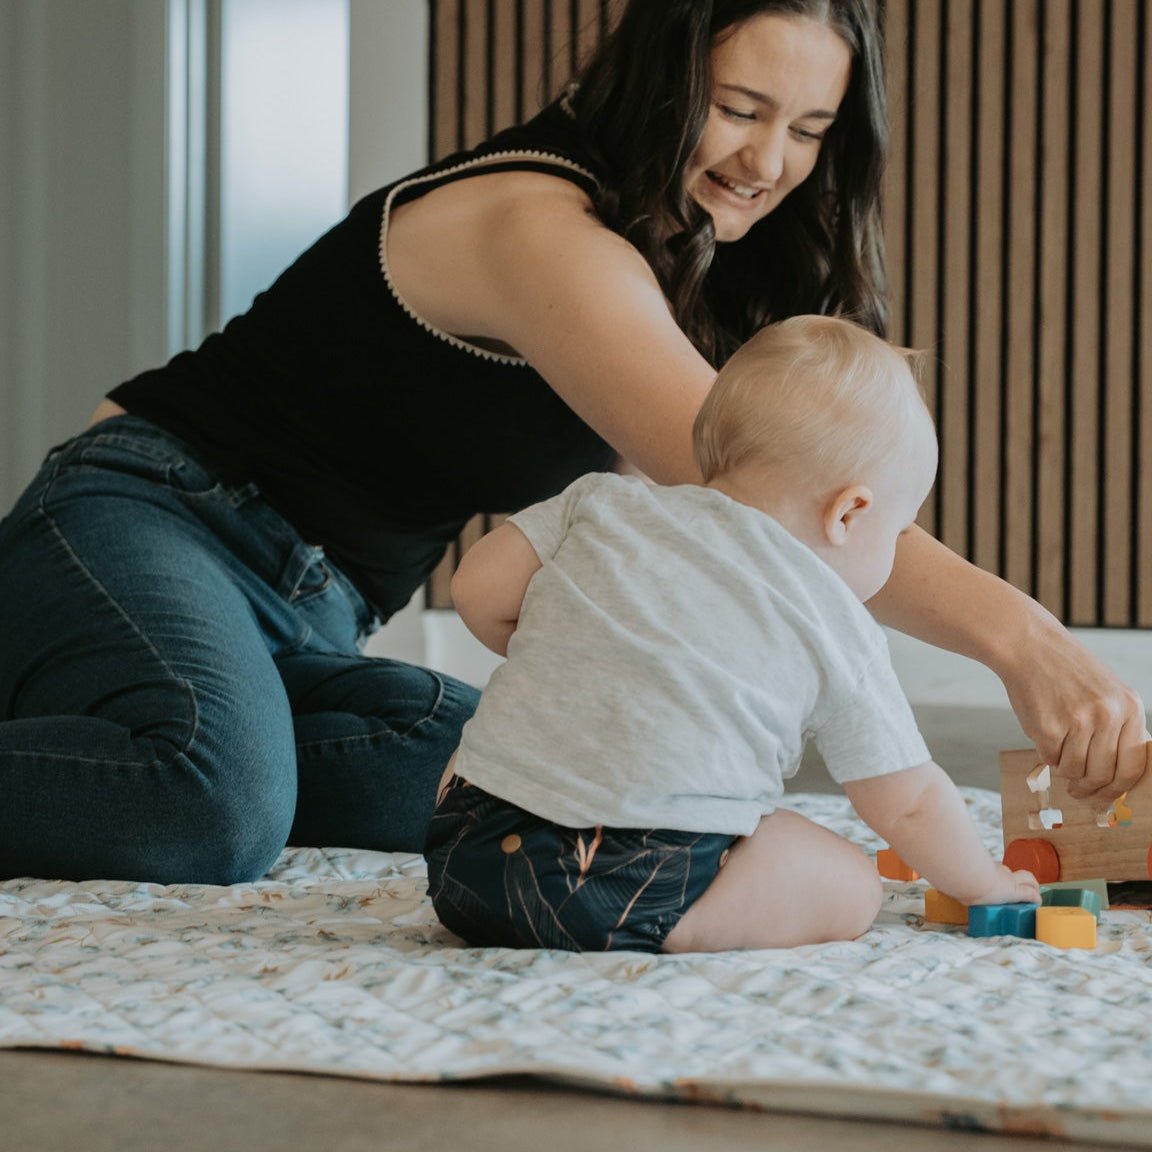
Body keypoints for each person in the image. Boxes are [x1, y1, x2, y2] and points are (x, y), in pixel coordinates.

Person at [0, 0, 1143, 886]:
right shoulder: (543, 231)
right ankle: (185, 745)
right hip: (149, 521)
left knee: (564, 779)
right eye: (740, 109)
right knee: (211, 806)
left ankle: (176, 731)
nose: (768, 162)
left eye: (808, 128)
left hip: (309, 618)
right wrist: (1028, 641)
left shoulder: (681, 257)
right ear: (661, 77)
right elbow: (766, 495)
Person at [423, 315, 1042, 953]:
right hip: (623, 884)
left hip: (467, 861)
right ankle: (675, 929)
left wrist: (574, 655)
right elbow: (908, 801)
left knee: (491, 744)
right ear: (849, 512)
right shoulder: (840, 627)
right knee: (853, 883)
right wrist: (984, 883)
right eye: (899, 529)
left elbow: (475, 588)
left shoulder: (606, 502)